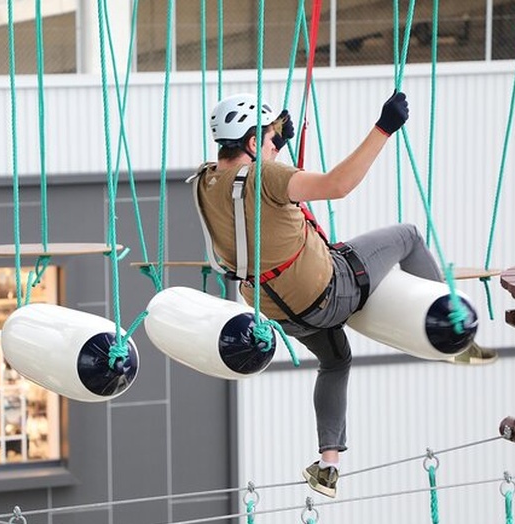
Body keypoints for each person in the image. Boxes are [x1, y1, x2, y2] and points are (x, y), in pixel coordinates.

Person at [190, 92, 496, 498]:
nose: (272, 148)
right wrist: (383, 128)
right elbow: (337, 185)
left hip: (280, 311)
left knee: (336, 361)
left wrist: (275, 143)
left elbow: (245, 187)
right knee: (407, 235)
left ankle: (328, 465)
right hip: (331, 290)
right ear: (250, 144)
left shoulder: (206, 181)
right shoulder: (268, 178)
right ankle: (452, 333)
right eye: (267, 141)